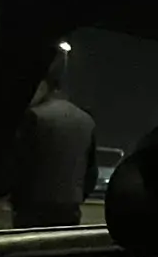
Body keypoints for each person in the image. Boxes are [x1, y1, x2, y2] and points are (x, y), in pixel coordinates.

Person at [7, 47, 98, 228]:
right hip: (70, 210)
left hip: (32, 210)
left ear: (43, 85)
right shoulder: (86, 120)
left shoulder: (34, 116)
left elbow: (15, 165)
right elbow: (91, 174)